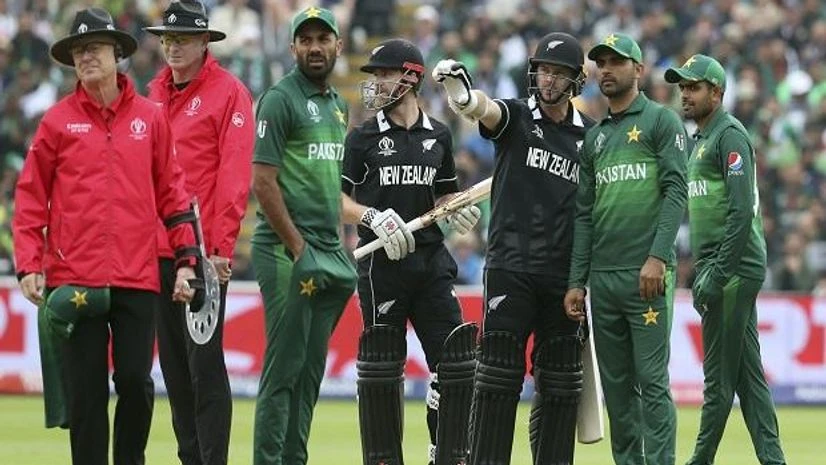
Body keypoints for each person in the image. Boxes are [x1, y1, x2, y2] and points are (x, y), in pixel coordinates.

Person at [12, 7, 198, 465]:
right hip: (74, 277)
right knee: (85, 392)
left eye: (93, 47)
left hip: (138, 276)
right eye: (78, 51)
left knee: (135, 381)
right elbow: (30, 197)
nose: (85, 57)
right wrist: (29, 263)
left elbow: (173, 193)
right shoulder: (56, 122)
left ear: (117, 53)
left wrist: (187, 260)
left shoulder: (151, 119)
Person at [433, 32, 595, 465]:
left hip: (564, 277)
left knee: (560, 384)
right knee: (498, 377)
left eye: (558, 73)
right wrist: (465, 99)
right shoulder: (519, 117)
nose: (548, 80)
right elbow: (487, 110)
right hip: (511, 267)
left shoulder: (592, 138)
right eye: (543, 70)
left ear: (576, 80)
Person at [341, 38, 481, 465]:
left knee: (457, 364)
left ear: (411, 77)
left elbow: (444, 197)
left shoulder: (439, 134)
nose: (377, 83)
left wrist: (458, 210)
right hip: (381, 266)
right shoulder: (362, 137)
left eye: (385, 74)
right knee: (382, 372)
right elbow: (337, 200)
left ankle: (446, 452)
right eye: (376, 76)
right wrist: (371, 217)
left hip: (431, 262)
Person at [564, 33, 688, 465]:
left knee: (652, 383)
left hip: (646, 276)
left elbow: (676, 192)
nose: (606, 70)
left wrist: (657, 257)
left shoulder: (660, 121)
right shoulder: (595, 138)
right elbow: (584, 215)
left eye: (616, 62)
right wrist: (577, 280)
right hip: (604, 279)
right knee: (616, 391)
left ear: (638, 69)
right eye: (600, 63)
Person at [143, 2, 254, 465]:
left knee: (203, 368)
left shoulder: (229, 93)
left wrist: (221, 248)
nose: (172, 46)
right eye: (167, 39)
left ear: (205, 41)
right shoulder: (152, 93)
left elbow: (233, 177)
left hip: (202, 254)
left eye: (183, 39)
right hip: (155, 253)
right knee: (173, 370)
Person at [664, 54, 787, 465]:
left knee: (717, 378)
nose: (685, 94)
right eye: (682, 87)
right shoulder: (700, 139)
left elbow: (740, 212)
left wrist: (717, 273)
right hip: (720, 266)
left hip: (732, 268)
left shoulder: (729, 136)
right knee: (748, 378)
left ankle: (699, 460)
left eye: (694, 87)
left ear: (716, 92)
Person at [250, 6, 357, 465]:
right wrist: (298, 247)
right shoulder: (279, 99)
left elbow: (328, 188)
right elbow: (262, 182)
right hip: (285, 250)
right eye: (306, 40)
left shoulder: (338, 106)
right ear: (293, 47)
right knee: (283, 370)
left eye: (323, 39)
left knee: (310, 373)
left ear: (338, 45)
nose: (315, 48)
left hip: (327, 251)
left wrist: (351, 232)